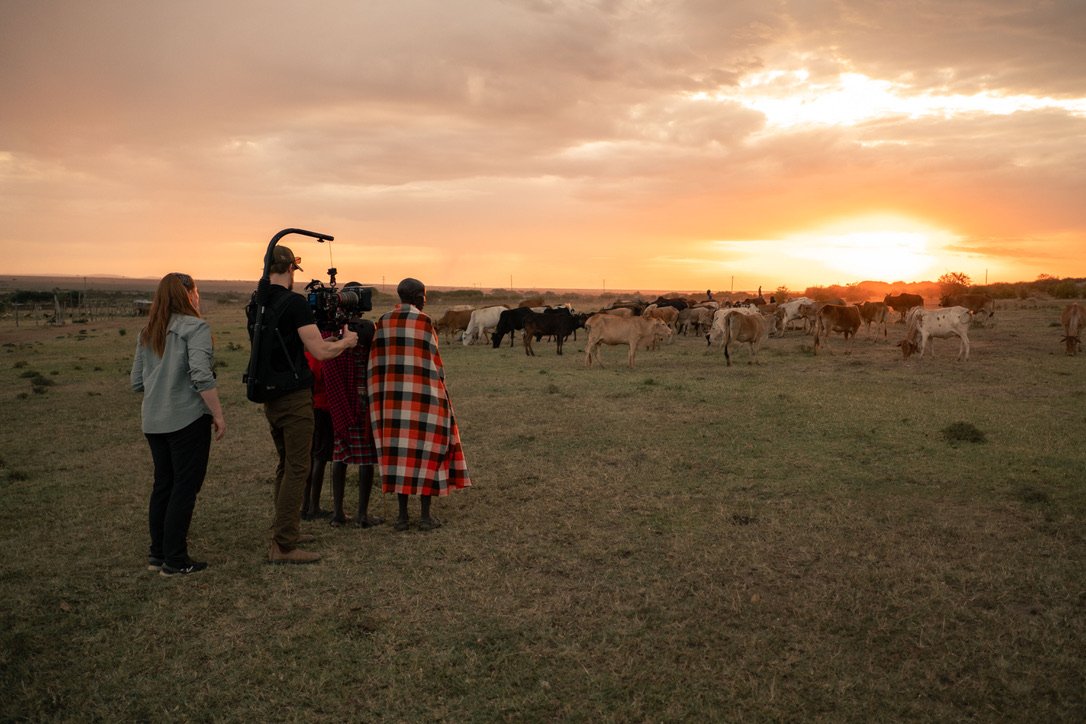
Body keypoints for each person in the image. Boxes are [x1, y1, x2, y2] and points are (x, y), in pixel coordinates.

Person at [255, 245, 357, 564]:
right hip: (293, 396)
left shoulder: (257, 302)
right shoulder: (293, 302)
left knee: (286, 464)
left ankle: (285, 528)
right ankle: (284, 545)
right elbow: (324, 354)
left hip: (270, 394)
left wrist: (325, 342)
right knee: (298, 467)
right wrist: (347, 342)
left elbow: (291, 344)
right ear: (289, 270)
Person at [131, 272, 226, 577]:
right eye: (196, 291)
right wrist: (218, 414)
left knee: (164, 485)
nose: (198, 296)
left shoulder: (148, 331)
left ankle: (157, 554)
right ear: (188, 294)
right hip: (186, 419)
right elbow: (200, 375)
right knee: (185, 487)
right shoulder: (195, 327)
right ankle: (175, 559)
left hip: (153, 420)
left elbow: (136, 382)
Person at [367, 278, 470, 531]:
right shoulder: (424, 322)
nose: (425, 300)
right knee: (428, 451)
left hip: (391, 400)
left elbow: (376, 361)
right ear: (415, 297)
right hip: (424, 397)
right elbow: (435, 362)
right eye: (423, 296)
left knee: (398, 454)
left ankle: (402, 517)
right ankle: (425, 517)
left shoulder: (383, 320)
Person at [322, 306, 383, 529]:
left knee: (340, 456)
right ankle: (362, 514)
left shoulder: (335, 336)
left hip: (340, 404)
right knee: (366, 459)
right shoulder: (365, 330)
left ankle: (338, 514)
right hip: (363, 403)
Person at [301, 347, 332, 520]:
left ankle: (306, 504)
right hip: (323, 407)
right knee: (320, 457)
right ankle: (314, 506)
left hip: (310, 407)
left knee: (310, 456)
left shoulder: (306, 351)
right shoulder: (322, 353)